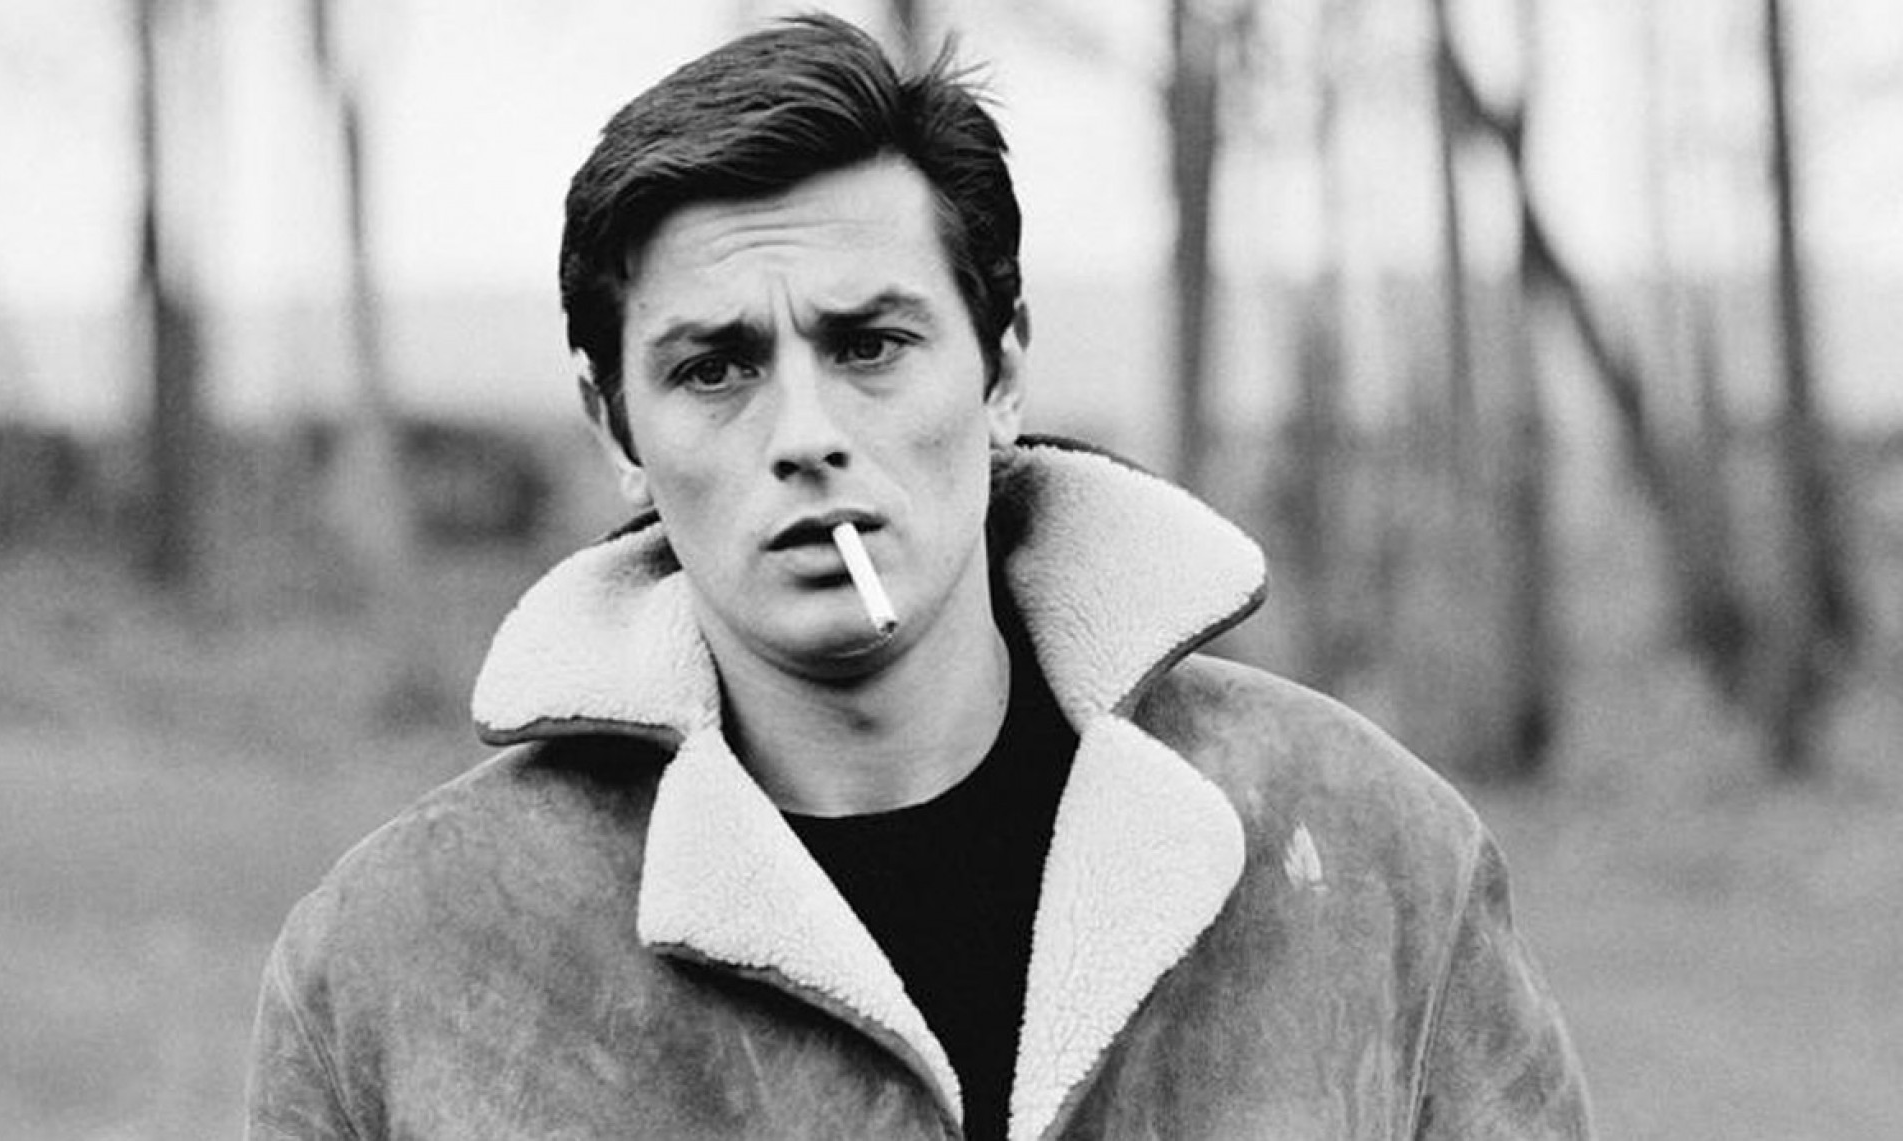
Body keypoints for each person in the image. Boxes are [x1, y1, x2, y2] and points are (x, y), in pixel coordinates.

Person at [245, 14, 1592, 1141]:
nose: (805, 433)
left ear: (1001, 369)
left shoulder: (1368, 853)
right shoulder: (399, 960)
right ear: (616, 428)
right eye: (715, 367)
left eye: (870, 345)